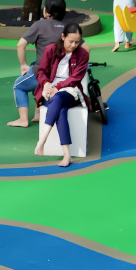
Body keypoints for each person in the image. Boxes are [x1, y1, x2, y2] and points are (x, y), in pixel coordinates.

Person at [33, 24, 89, 168]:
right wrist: (45, 84)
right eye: (71, 41)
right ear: (63, 37)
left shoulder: (83, 54)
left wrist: (56, 87)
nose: (74, 45)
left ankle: (42, 141)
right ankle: (67, 154)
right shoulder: (50, 49)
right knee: (61, 110)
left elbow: (75, 78)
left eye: (77, 42)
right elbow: (41, 72)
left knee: (58, 99)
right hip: (49, 90)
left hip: (71, 92)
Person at [8, 0, 68, 128]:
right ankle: (38, 114)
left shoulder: (40, 25)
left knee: (19, 86)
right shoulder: (68, 27)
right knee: (35, 66)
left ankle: (23, 119)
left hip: (42, 73)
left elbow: (20, 45)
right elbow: (86, 48)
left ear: (47, 12)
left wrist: (23, 65)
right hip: (61, 74)